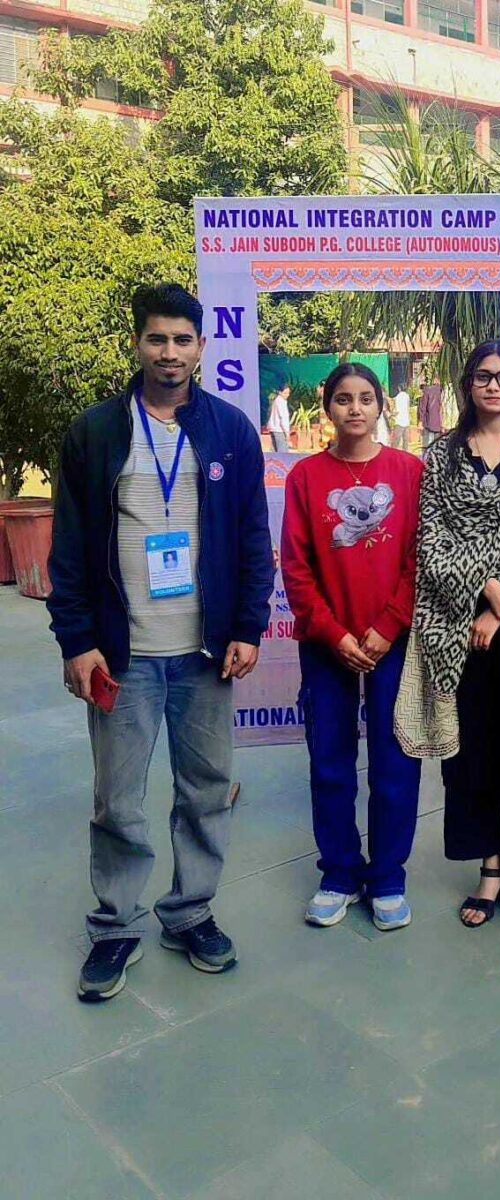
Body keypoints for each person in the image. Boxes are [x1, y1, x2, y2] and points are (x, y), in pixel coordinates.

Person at [47, 283, 274, 1002]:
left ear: (201, 347)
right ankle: (116, 926)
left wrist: (247, 626)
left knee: (205, 791)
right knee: (117, 800)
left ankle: (190, 912)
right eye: (156, 338)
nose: (169, 352)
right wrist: (76, 641)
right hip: (124, 656)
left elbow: (253, 539)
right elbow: (69, 548)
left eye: (181, 340)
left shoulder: (230, 430)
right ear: (137, 343)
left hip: (205, 653)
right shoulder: (96, 432)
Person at [396, 339, 500, 930]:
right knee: (473, 749)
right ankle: (489, 864)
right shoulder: (441, 455)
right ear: (468, 385)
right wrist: (482, 590)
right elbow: (431, 540)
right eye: (482, 376)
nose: (493, 386)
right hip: (457, 625)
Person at [282, 364, 424, 932]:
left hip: (394, 642)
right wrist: (334, 633)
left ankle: (387, 876)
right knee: (331, 763)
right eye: (343, 399)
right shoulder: (306, 477)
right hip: (328, 646)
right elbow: (296, 568)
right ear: (328, 408)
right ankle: (339, 873)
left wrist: (389, 625)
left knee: (395, 764)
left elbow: (420, 558)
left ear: (381, 406)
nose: (355, 409)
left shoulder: (409, 472)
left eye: (366, 398)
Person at [419, 376, 444, 452]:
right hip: (438, 423)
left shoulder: (428, 391)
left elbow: (423, 407)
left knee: (426, 444)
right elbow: (442, 408)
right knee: (437, 445)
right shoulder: (441, 391)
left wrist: (421, 421)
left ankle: (425, 457)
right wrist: (443, 423)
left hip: (428, 421)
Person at [267, 383, 292, 453]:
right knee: (283, 453)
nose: (287, 395)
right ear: (280, 392)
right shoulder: (281, 402)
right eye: (285, 393)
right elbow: (283, 419)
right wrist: (287, 433)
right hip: (280, 430)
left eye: (288, 393)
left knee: (275, 451)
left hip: (274, 429)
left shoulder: (277, 400)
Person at [392, 385, 411, 452]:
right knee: (405, 441)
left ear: (399, 388)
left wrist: (391, 415)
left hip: (399, 420)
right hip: (406, 421)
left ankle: (393, 454)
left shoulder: (397, 397)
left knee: (396, 441)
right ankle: (405, 454)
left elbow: (396, 410)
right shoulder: (407, 396)